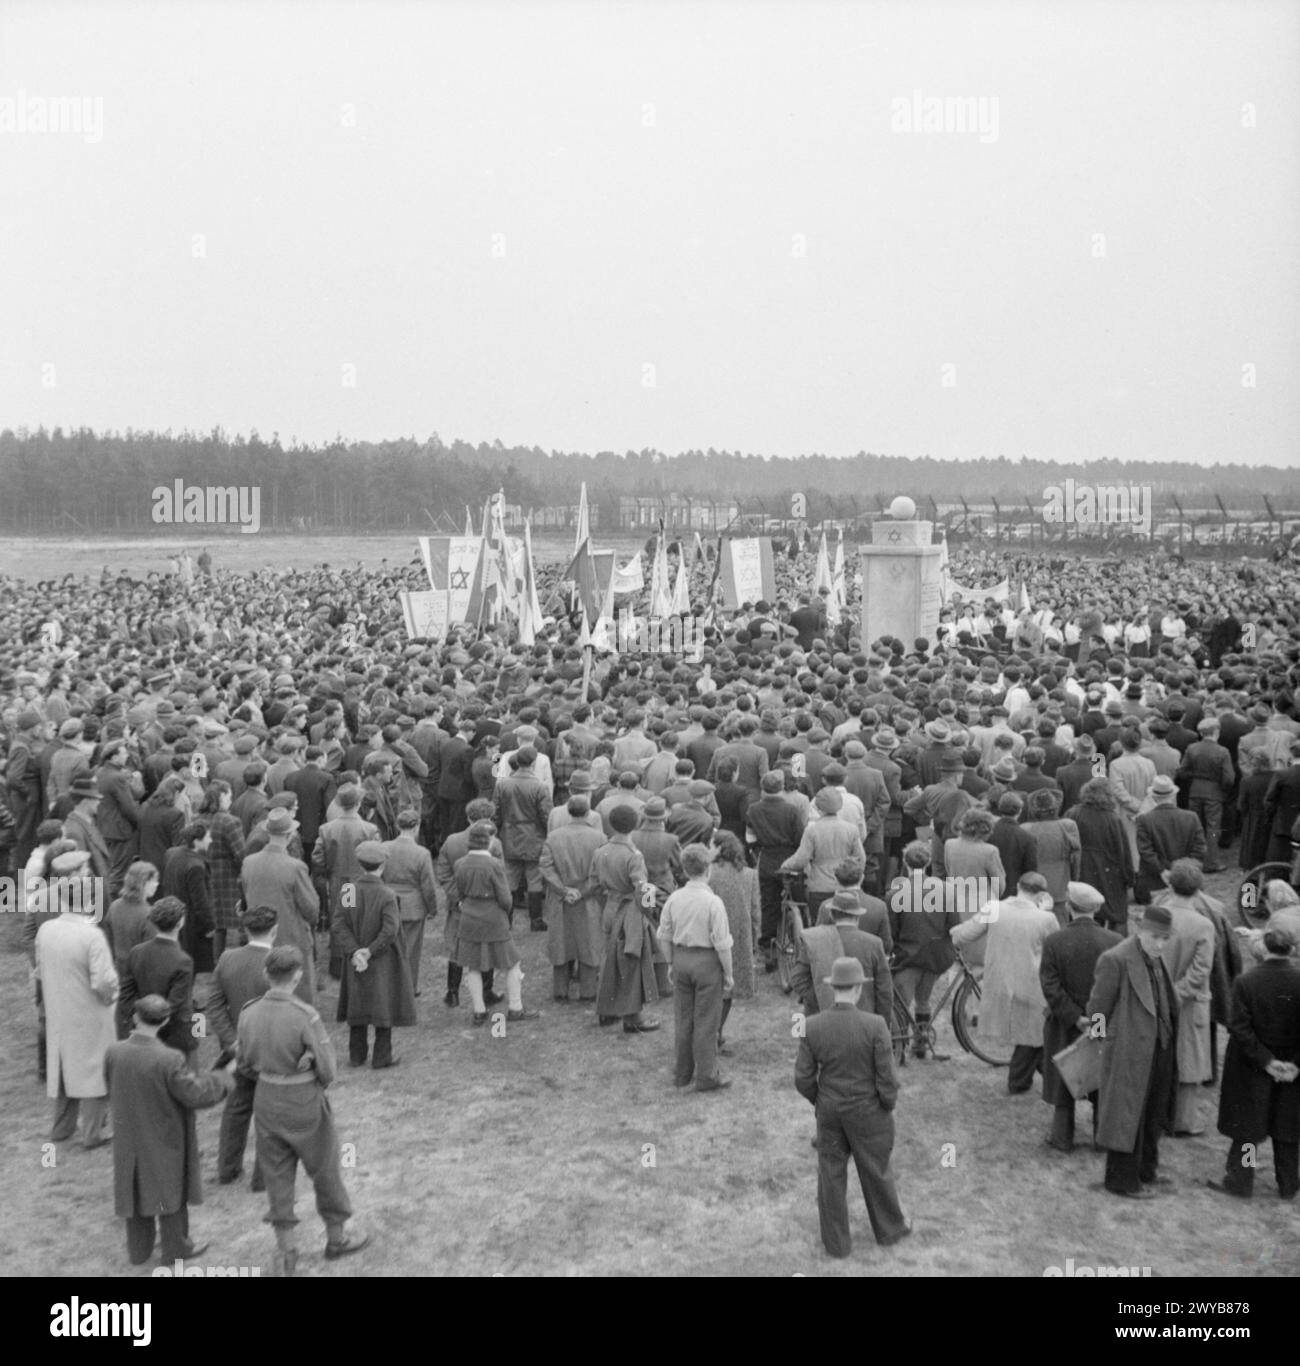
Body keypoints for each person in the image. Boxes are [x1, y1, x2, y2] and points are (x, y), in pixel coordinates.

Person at [236, 945, 368, 1276]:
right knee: (325, 1169)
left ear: (266, 975)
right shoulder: (304, 1014)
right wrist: (308, 1068)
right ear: (297, 976)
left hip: (266, 1098)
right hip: (303, 1100)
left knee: (276, 1176)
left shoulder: (248, 1013)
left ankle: (286, 1256)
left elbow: (245, 1063)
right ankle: (336, 1240)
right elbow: (329, 1070)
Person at [104, 993, 233, 1266]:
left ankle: (138, 1250)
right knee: (170, 1192)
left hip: (128, 1135)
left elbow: (111, 1085)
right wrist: (222, 1078)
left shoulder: (114, 1051)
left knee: (136, 1189)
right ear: (164, 1021)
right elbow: (195, 1095)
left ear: (136, 1018)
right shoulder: (169, 1058)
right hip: (164, 1135)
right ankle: (176, 1248)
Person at [794, 957, 910, 1256]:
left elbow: (803, 1078)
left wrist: (820, 1101)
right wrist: (887, 1104)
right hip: (868, 1111)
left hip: (830, 1110)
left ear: (834, 988)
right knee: (876, 1169)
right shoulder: (876, 1025)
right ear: (858, 989)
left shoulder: (812, 1026)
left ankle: (836, 1244)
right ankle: (890, 1230)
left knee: (830, 1173)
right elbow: (887, 1077)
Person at [1087, 903, 1179, 1198]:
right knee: (1128, 1117)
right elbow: (1097, 1010)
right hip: (1128, 1052)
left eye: (1166, 938)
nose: (1161, 944)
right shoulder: (1115, 959)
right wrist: (1105, 1045)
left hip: (1159, 1049)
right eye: (1155, 937)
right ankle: (1122, 1181)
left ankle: (1146, 1170)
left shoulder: (1156, 958)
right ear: (1141, 931)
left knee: (1153, 1112)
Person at [1208, 927, 1300, 1200]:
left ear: (1265, 948)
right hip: (1292, 1069)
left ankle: (1242, 1180)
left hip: (1251, 1067)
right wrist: (1295, 1065)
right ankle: (1288, 1184)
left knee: (1249, 1129)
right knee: (1287, 1130)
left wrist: (1266, 1061)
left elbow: (1240, 1028)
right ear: (1292, 950)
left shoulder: (1246, 982)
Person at [35, 854, 119, 1146]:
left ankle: (61, 1128)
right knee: (94, 1072)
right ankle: (93, 1133)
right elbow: (104, 982)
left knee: (63, 1071)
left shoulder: (46, 930)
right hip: (90, 1011)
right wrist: (114, 997)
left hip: (58, 1009)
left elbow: (40, 969)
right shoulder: (91, 935)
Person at [952, 871, 1058, 1094]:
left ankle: (1038, 1074)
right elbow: (1055, 950)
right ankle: (1026, 1079)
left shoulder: (994, 908)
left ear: (1017, 886)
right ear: (1041, 894)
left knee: (1033, 1036)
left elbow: (966, 934)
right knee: (1034, 1033)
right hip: (1031, 983)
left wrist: (954, 932)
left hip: (998, 981)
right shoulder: (1046, 918)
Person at [1039, 882, 1122, 1152]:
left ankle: (1061, 1137)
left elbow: (1050, 986)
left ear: (1070, 908)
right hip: (1101, 1020)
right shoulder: (1115, 942)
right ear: (1096, 909)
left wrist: (1074, 1017)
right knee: (1100, 1073)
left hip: (1064, 1020)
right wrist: (1095, 1018)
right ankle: (1102, 1136)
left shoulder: (1054, 941)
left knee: (1064, 1075)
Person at [208, 903, 279, 1190]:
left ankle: (227, 1169)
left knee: (236, 1110)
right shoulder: (280, 964)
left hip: (237, 1052)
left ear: (246, 930)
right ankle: (262, 1178)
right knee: (270, 1114)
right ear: (274, 930)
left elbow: (214, 1005)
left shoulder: (227, 958)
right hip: (271, 1054)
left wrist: (232, 1042)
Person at [332, 840, 417, 1067]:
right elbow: (390, 930)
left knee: (357, 1002)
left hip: (356, 958)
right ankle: (382, 1056)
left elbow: (340, 924)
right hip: (382, 958)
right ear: (382, 865)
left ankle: (356, 1055)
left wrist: (355, 951)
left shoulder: (349, 889)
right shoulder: (387, 894)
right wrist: (369, 952)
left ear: (361, 865)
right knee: (383, 1003)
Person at [657, 843, 735, 1093]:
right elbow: (722, 943)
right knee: (706, 1021)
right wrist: (729, 973)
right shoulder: (713, 902)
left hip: (681, 959)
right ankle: (707, 1076)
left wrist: (670, 962)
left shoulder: (674, 898)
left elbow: (664, 934)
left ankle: (682, 1073)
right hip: (707, 963)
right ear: (708, 869)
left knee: (683, 1018)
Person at [450, 821, 539, 1025]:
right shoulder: (495, 865)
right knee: (512, 963)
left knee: (473, 966)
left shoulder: (460, 864)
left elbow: (459, 893)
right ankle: (515, 1008)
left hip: (469, 917)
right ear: (488, 842)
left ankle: (479, 1011)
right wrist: (505, 911)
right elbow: (506, 898)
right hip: (493, 917)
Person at [888, 841, 962, 1061]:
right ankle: (920, 1043)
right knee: (924, 999)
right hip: (936, 955)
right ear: (929, 862)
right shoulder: (947, 889)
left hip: (908, 956)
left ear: (905, 863)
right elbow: (953, 925)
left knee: (901, 1002)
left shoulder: (895, 893)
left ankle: (899, 1047)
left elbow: (892, 932)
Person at [592, 804, 662, 1033]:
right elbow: (643, 888)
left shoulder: (600, 851)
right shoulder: (634, 855)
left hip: (610, 908)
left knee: (608, 961)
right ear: (635, 824)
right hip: (630, 911)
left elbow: (594, 884)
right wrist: (652, 913)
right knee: (632, 963)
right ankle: (633, 1018)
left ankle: (606, 1011)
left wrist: (608, 903)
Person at [1159, 862, 1217, 1136]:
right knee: (1190, 1061)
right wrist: (1179, 992)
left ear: (1170, 885)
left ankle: (1158, 1117)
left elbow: (1146, 955)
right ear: (1198, 890)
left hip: (1158, 997)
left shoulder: (1157, 914)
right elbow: (1202, 969)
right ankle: (1183, 1121)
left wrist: (1164, 992)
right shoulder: (1203, 924)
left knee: (1159, 1056)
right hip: (1191, 1002)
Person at [241, 807, 320, 1004]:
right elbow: (311, 909)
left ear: (268, 832)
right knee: (298, 997)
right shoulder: (295, 867)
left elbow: (245, 895)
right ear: (290, 834)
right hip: (292, 938)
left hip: (259, 938)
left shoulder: (249, 862)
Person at [539, 796, 605, 1002]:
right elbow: (600, 873)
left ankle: (560, 990)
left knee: (561, 942)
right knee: (590, 941)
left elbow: (546, 867)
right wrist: (583, 891)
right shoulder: (600, 838)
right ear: (588, 813)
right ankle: (588, 991)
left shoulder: (553, 837)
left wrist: (563, 890)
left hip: (561, 900)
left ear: (569, 812)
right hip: (589, 900)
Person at [116, 897, 197, 1063]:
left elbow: (125, 994)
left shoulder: (136, 952)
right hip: (175, 1035)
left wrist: (140, 1022)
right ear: (180, 922)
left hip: (142, 1030)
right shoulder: (183, 960)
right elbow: (176, 1002)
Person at [792, 889, 892, 1019]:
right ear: (857, 917)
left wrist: (820, 997)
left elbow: (797, 979)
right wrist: (882, 1021)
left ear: (832, 915)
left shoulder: (815, 939)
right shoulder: (874, 944)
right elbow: (884, 991)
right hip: (864, 1019)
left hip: (822, 1018)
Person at [745, 768, 806, 972]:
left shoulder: (753, 810)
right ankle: (801, 941)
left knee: (769, 906)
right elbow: (800, 838)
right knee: (798, 899)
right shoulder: (791, 810)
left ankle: (769, 950)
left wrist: (757, 854)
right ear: (781, 788)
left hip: (768, 860)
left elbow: (750, 839)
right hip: (790, 859)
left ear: (763, 788)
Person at [379, 808, 438, 996]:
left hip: (387, 902)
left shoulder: (384, 847)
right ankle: (409, 987)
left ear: (397, 826)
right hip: (413, 907)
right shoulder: (421, 853)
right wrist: (432, 908)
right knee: (411, 950)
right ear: (417, 827)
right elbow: (428, 885)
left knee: (387, 946)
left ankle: (387, 983)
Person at [494, 744, 553, 931]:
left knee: (510, 878)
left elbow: (495, 813)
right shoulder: (540, 786)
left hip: (509, 835)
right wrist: (548, 834)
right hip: (534, 837)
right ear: (534, 763)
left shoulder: (502, 784)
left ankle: (506, 921)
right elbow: (546, 816)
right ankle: (536, 921)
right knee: (534, 879)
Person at [1134, 775, 1205, 903]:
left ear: (1153, 797)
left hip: (1156, 883)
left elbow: (1145, 852)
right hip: (1186, 882)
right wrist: (1184, 871)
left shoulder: (1145, 820)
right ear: (1173, 795)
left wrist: (1162, 871)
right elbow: (1200, 849)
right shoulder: (1191, 817)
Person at [1022, 786, 1080, 926]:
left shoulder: (1026, 829)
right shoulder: (1068, 826)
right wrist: (1074, 881)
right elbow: (1076, 861)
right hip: (1060, 888)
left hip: (1032, 889)